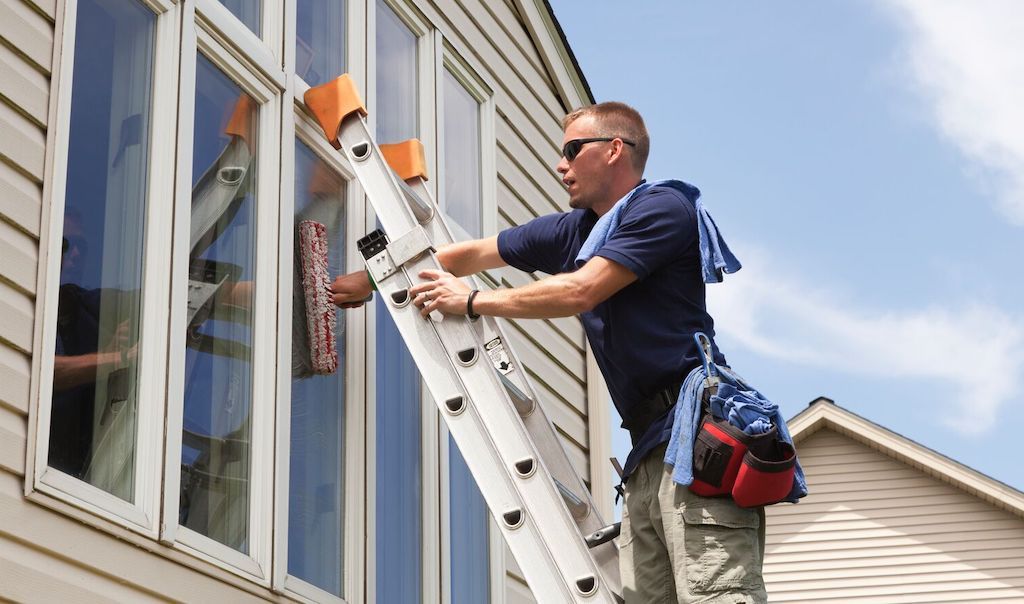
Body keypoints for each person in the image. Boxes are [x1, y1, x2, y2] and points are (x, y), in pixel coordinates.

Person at [330, 102, 766, 603]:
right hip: (648, 450)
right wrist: (372, 279)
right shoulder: (577, 230)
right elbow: (471, 253)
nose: (561, 165)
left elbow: (582, 290)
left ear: (614, 150)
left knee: (716, 594)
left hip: (693, 438)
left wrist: (470, 301)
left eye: (572, 151)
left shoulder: (662, 209)